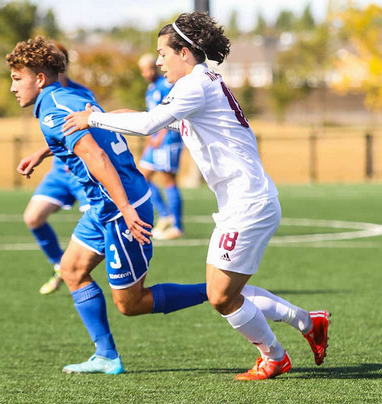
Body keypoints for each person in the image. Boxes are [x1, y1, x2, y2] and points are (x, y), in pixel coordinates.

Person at [63, 13, 330, 381]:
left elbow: (147, 124)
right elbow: (149, 117)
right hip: (246, 201)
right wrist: (100, 115)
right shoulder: (199, 84)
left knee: (220, 296)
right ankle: (307, 322)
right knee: (223, 291)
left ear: (185, 53)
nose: (158, 61)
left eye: (162, 53)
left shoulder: (195, 86)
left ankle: (275, 357)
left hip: (248, 203)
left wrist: (91, 121)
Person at [8, 36, 208, 375]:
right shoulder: (72, 96)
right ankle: (106, 356)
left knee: (131, 304)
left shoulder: (52, 109)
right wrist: (44, 152)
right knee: (71, 270)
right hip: (105, 208)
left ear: (39, 78)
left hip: (119, 209)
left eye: (17, 78)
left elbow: (97, 156)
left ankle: (218, 291)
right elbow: (104, 118)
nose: (12, 87)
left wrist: (127, 211)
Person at [22, 43, 95, 295]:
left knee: (101, 224)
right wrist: (41, 153)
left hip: (84, 173)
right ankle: (59, 266)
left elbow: (85, 133)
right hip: (59, 172)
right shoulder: (43, 95)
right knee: (33, 217)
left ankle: (81, 270)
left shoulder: (79, 94)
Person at [137, 54, 184, 240]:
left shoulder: (166, 86)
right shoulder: (150, 90)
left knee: (169, 180)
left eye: (149, 68)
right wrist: (150, 141)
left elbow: (172, 113)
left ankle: (177, 225)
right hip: (155, 140)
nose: (147, 73)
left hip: (169, 140)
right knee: (141, 177)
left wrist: (161, 135)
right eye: (143, 70)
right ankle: (165, 215)